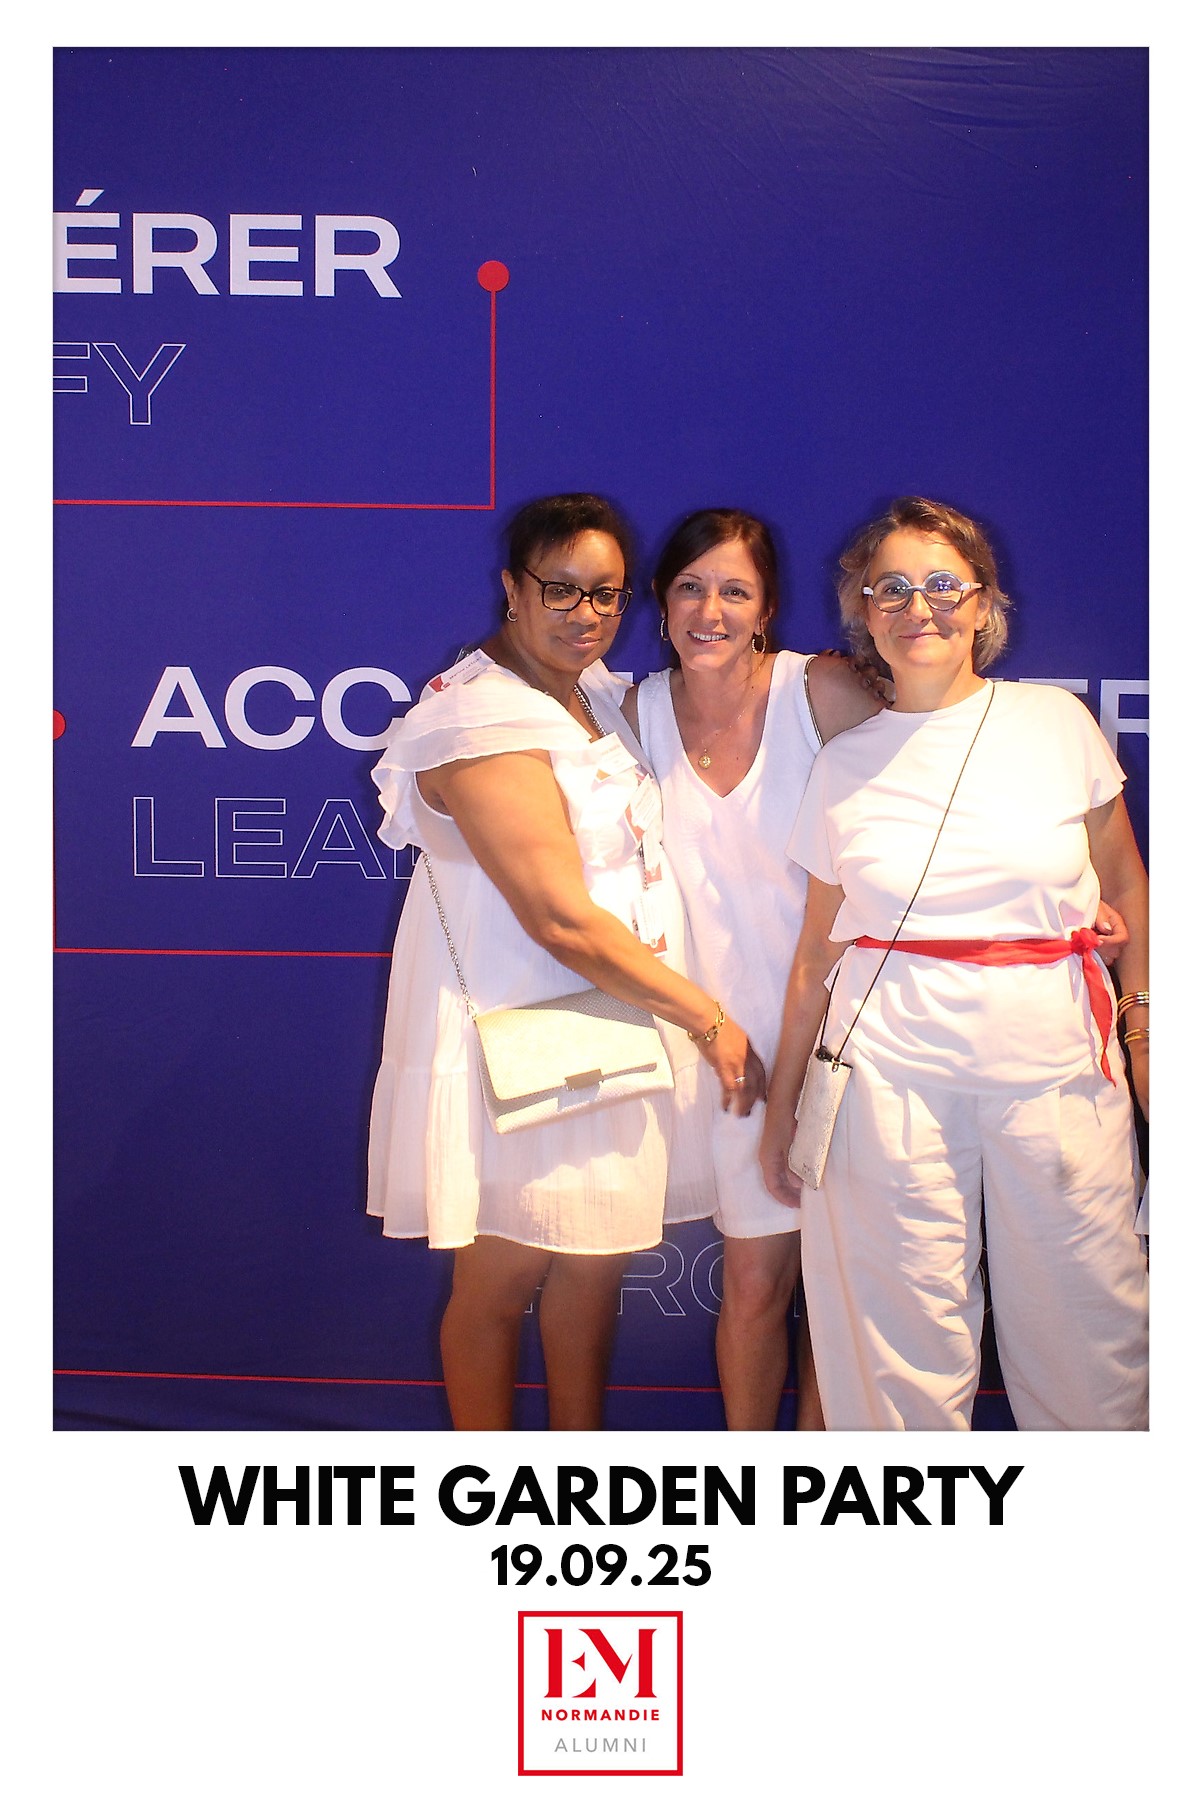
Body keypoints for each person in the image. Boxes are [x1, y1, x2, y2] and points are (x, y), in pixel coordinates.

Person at [366, 493, 765, 1431]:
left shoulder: (591, 697)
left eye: (608, 595)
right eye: (561, 590)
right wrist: (706, 1019)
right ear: (513, 588)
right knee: (499, 1285)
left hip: (614, 1033)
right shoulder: (479, 717)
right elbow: (557, 917)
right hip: (521, 1044)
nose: (587, 615)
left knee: (592, 1270)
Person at [759, 495, 1149, 1430]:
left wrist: (1146, 1032)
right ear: (862, 611)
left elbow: (1128, 889)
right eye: (889, 588)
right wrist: (782, 1109)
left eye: (942, 583)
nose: (917, 606)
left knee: (1091, 1344)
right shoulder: (843, 764)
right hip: (885, 1088)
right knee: (895, 1360)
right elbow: (817, 954)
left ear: (982, 603)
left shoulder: (1055, 723)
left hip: (1059, 1078)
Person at [621, 508, 883, 1429]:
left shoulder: (822, 692)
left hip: (851, 1037)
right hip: (728, 1054)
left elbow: (933, 786)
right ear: (661, 604)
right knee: (756, 1283)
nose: (711, 611)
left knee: (842, 1290)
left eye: (735, 590)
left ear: (767, 608)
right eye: (691, 587)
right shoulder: (635, 714)